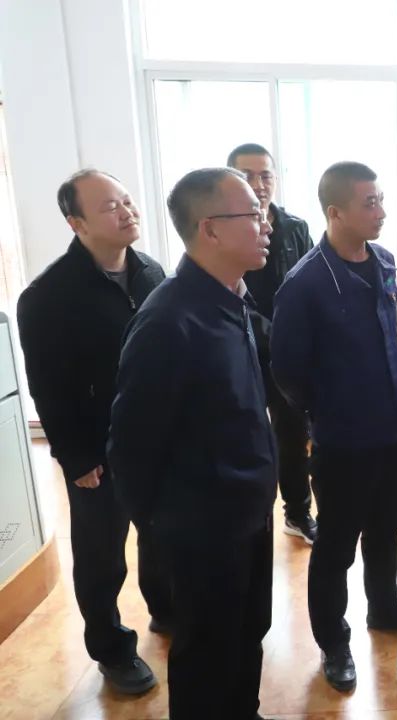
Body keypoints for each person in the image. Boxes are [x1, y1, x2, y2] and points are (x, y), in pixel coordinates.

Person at [107, 168, 277, 719]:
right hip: (203, 527)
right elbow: (131, 444)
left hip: (248, 508)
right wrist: (164, 529)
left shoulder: (232, 299)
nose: (265, 224)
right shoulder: (169, 321)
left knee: (247, 631)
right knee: (207, 652)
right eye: (253, 214)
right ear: (210, 229)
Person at [272, 161, 397, 693]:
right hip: (343, 441)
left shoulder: (382, 261)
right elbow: (287, 371)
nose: (381, 211)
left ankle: (384, 609)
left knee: (386, 529)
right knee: (336, 546)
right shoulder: (305, 284)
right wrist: (326, 412)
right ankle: (333, 641)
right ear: (335, 212)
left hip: (394, 428)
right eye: (370, 203)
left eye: (381, 200)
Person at [16, 170, 170, 695]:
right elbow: (49, 388)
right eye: (109, 206)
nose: (127, 211)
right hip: (98, 450)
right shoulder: (48, 295)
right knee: (102, 556)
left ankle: (166, 609)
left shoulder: (151, 272)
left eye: (127, 200)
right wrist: (76, 457)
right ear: (76, 223)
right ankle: (111, 649)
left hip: (157, 440)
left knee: (162, 534)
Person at [227, 142, 318, 545]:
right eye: (247, 175)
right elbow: (227, 295)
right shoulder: (223, 229)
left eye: (265, 174)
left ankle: (297, 513)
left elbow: (312, 284)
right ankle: (248, 517)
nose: (258, 183)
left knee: (293, 435)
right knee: (244, 437)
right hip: (241, 349)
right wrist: (270, 332)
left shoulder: (295, 227)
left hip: (289, 352)